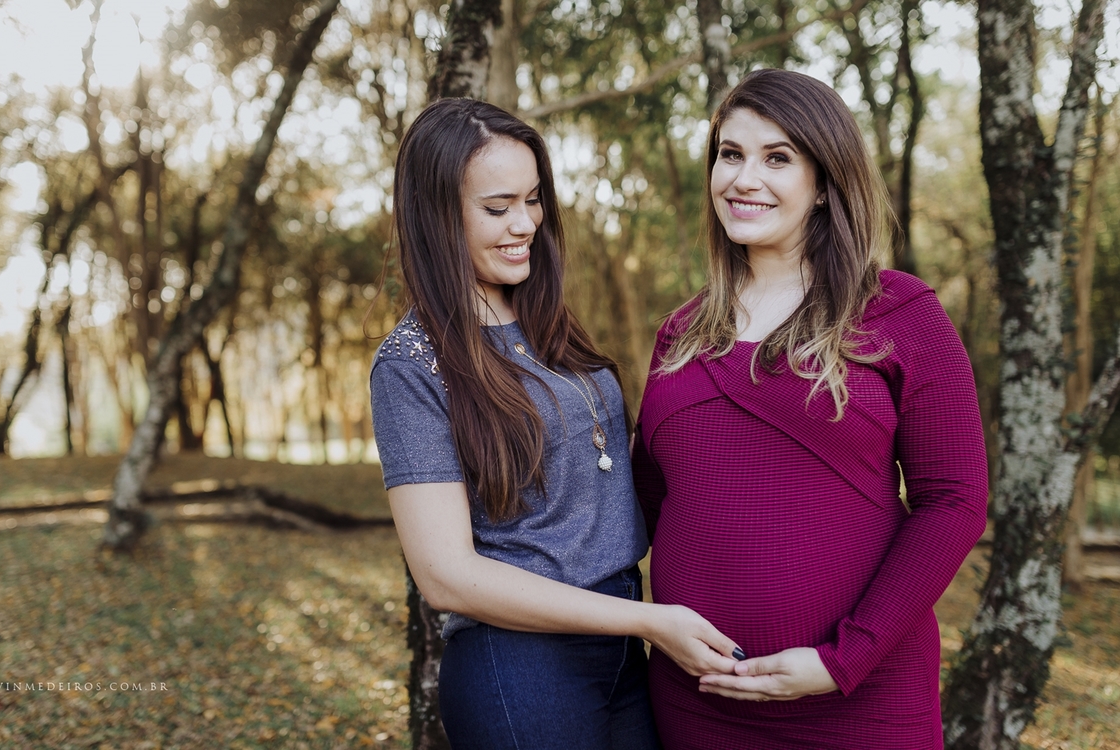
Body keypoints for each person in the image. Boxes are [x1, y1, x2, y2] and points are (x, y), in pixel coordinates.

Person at [632, 69, 989, 748]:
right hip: (697, 701)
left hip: (860, 701)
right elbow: (651, 502)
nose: (743, 178)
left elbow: (955, 500)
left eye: (777, 158)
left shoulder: (897, 311)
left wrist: (841, 661)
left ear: (824, 183)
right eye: (730, 154)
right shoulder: (679, 335)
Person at [369, 97, 740, 750]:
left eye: (534, 200)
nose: (526, 224)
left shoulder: (545, 321)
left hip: (624, 649)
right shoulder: (410, 364)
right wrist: (650, 620)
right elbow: (445, 575)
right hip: (519, 667)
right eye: (497, 207)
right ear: (437, 216)